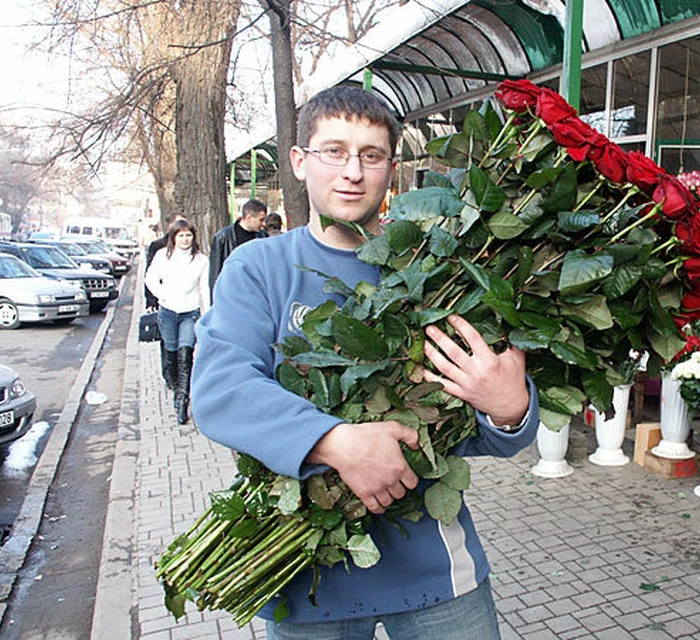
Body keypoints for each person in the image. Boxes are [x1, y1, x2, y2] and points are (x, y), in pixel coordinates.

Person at [191, 85, 539, 639]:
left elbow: (469, 431)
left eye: (370, 155)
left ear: (391, 169)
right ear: (300, 162)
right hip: (307, 586)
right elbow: (220, 388)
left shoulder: (432, 267)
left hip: (438, 578)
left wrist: (508, 410)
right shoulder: (260, 266)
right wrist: (339, 443)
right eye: (334, 150)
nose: (352, 171)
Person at [145, 218, 210, 425]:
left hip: (189, 313)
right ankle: (174, 387)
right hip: (168, 311)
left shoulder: (201, 260)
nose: (185, 239)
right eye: (181, 235)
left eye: (188, 235)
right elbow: (150, 278)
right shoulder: (162, 256)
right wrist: (162, 295)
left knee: (185, 355)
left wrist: (206, 313)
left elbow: (204, 289)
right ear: (173, 237)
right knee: (171, 354)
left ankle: (183, 399)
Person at [145, 214, 187, 389]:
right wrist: (152, 299)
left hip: (187, 304)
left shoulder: (192, 250)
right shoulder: (158, 247)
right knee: (168, 342)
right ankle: (170, 376)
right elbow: (150, 275)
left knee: (185, 345)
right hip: (166, 303)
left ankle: (182, 381)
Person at [208, 198, 268, 299]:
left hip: (256, 293)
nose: (264, 224)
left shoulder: (263, 237)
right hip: (231, 293)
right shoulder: (222, 238)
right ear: (249, 218)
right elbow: (215, 274)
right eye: (261, 220)